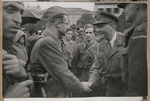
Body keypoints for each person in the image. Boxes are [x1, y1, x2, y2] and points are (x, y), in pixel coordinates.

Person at [29, 6, 92, 97]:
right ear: (58, 24)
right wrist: (81, 86)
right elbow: (62, 73)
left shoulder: (48, 40)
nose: (68, 26)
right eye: (67, 23)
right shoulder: (48, 42)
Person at [88, 11, 127, 96]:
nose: (97, 30)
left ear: (112, 26)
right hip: (106, 91)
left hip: (123, 92)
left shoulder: (126, 41)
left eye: (101, 26)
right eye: (96, 27)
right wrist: (91, 82)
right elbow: (96, 68)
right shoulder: (100, 45)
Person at [3, 1, 33, 97]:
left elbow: (30, 88)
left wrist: (23, 74)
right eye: (10, 10)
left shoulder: (9, 49)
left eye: (21, 13)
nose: (19, 20)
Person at [117, 3, 147, 96]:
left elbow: (138, 79)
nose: (123, 12)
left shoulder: (141, 30)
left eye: (125, 7)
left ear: (136, 5)